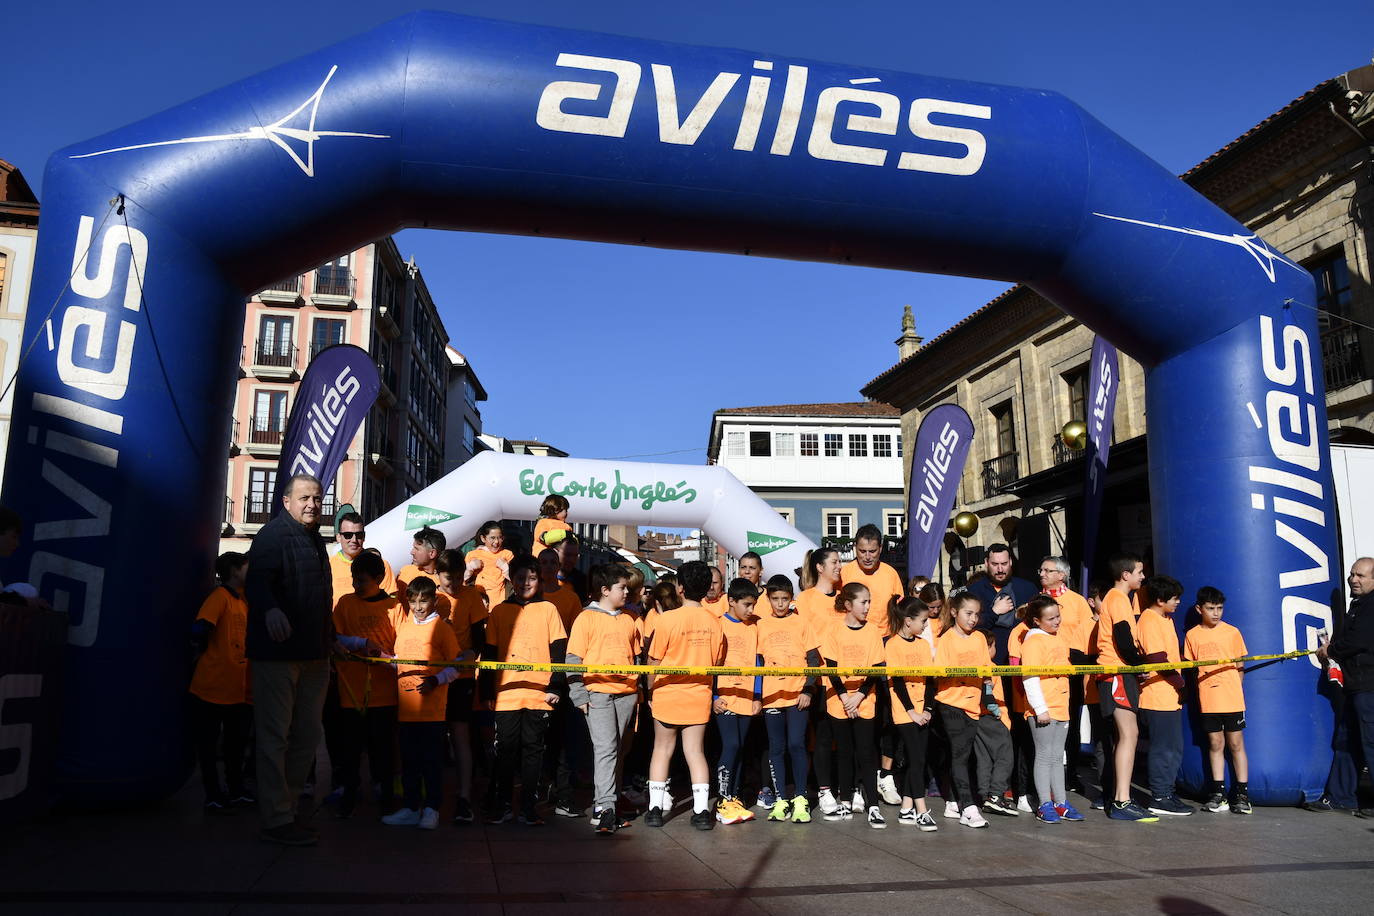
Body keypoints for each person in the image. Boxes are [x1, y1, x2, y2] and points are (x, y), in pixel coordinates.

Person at [244, 473, 335, 846]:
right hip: (278, 655)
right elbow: (257, 582)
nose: (312, 504)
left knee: (307, 735)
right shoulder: (272, 537)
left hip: (315, 654)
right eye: (304, 499)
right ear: (286, 502)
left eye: (316, 498)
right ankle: (276, 818)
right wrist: (269, 610)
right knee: (274, 737)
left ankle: (290, 808)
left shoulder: (314, 539)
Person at [480, 555, 568, 826]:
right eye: (520, 578)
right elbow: (490, 654)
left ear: (539, 580)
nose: (525, 583)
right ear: (512, 580)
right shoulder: (500, 611)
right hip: (506, 693)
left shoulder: (549, 610)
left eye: (531, 578)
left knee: (533, 750)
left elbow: (558, 652)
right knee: (505, 749)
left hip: (539, 693)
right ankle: (504, 804)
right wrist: (486, 692)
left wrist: (555, 686)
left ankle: (529, 806)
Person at [645, 561, 724, 830]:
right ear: (706, 588)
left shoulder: (667, 619)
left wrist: (650, 691)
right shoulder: (714, 622)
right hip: (699, 692)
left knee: (662, 749)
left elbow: (654, 661)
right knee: (695, 751)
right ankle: (702, 811)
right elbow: (717, 660)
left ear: (680, 588)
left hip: (668, 691)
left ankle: (655, 808)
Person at [566, 564, 643, 835]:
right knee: (606, 749)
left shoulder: (630, 619)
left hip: (626, 693)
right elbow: (573, 659)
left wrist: (637, 692)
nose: (627, 592)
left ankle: (609, 805)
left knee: (618, 749)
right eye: (622, 587)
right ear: (605, 590)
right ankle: (604, 808)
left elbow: (636, 659)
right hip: (597, 691)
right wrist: (578, 694)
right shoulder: (585, 618)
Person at [382, 577, 462, 830]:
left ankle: (432, 809)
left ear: (433, 600)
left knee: (431, 763)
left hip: (432, 712)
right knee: (409, 763)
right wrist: (383, 658)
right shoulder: (404, 626)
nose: (418, 606)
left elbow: (457, 666)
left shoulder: (442, 628)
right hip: (406, 710)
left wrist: (435, 681)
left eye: (423, 601)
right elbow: (401, 661)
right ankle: (410, 807)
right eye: (413, 601)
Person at [330, 550, 399, 819]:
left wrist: (387, 659)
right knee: (349, 748)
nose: (356, 586)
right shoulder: (346, 603)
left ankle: (384, 793)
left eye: (362, 581)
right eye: (354, 580)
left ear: (380, 579)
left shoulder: (394, 607)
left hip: (384, 692)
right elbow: (334, 636)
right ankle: (348, 792)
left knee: (382, 748)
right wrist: (360, 644)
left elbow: (401, 647)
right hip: (350, 690)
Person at [841, 524, 906, 805]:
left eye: (872, 551)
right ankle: (856, 782)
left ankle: (885, 776)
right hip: (855, 649)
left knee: (889, 717)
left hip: (885, 646)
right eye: (862, 551)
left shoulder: (891, 574)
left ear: (881, 549)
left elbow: (899, 612)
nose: (867, 557)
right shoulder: (845, 573)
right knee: (859, 720)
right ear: (855, 548)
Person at [189, 552, 253, 813]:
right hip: (212, 686)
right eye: (246, 567)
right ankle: (213, 793)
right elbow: (201, 627)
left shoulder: (243, 600)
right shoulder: (220, 597)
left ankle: (235, 790)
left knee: (235, 745)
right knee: (209, 744)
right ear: (236, 571)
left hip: (237, 688)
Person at [1095, 552, 1157, 823]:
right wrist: (1139, 664)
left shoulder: (1118, 598)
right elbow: (1122, 639)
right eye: (1140, 572)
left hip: (1119, 673)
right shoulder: (1118, 599)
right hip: (1117, 673)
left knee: (1126, 736)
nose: (1143, 577)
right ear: (1126, 575)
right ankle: (1121, 800)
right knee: (1128, 735)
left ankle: (1121, 797)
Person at [820, 583, 887, 829]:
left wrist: (857, 696)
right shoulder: (834, 630)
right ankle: (845, 800)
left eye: (869, 601)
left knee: (867, 753)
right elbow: (832, 667)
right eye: (863, 602)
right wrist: (844, 698)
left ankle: (873, 806)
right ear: (848, 605)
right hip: (839, 702)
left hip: (864, 701)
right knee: (845, 753)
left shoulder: (873, 631)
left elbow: (876, 667)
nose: (868, 607)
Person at [1313, 557, 1374, 816]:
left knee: (1371, 742)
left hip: (1368, 687)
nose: (1354, 580)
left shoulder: (1371, 606)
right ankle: (1340, 796)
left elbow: (1359, 640)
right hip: (1354, 685)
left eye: (1360, 575)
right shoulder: (1357, 606)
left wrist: (1331, 649)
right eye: (1352, 574)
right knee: (1346, 741)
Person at [756, 574, 820, 823]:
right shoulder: (761, 624)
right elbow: (758, 662)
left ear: (791, 599)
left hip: (797, 696)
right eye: (775, 599)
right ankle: (781, 799)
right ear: (769, 599)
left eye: (784, 599)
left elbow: (814, 660)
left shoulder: (802, 623)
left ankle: (801, 798)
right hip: (772, 697)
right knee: (776, 748)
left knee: (796, 744)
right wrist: (758, 696)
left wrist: (808, 690)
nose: (780, 604)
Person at [1183, 586, 1251, 814]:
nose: (1215, 613)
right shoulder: (1192, 635)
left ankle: (1242, 794)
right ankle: (1218, 793)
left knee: (1236, 744)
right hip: (1208, 700)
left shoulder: (1232, 632)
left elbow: (1241, 667)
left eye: (1219, 608)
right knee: (1215, 744)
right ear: (1199, 609)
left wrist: (1233, 690)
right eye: (1210, 608)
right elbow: (1191, 669)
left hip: (1232, 700)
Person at [1037, 556, 1099, 801]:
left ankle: (1071, 774)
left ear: (1061, 575)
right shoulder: (1037, 601)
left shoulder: (1077, 602)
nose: (1041, 573)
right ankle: (1044, 777)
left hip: (1072, 672)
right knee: (1045, 723)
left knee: (1070, 724)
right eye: (1041, 570)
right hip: (1043, 672)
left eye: (1047, 570)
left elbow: (1087, 634)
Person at [934, 590, 998, 828]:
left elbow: (986, 671)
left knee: (963, 755)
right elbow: (941, 671)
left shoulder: (980, 638)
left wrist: (988, 696)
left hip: (973, 704)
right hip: (951, 703)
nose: (973, 619)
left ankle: (953, 800)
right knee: (960, 754)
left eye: (977, 614)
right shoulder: (946, 639)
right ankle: (969, 808)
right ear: (954, 612)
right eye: (968, 613)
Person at [1019, 595, 1085, 824]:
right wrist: (1040, 708)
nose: (1057, 621)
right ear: (1037, 620)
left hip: (1061, 706)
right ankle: (1044, 803)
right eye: (1051, 618)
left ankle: (1061, 802)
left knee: (1058, 756)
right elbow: (1030, 677)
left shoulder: (1057, 637)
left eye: (1058, 616)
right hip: (1044, 708)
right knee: (1045, 755)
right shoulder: (1033, 641)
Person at [435, 549, 489, 824]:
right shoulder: (430, 597)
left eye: (458, 578)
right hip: (432, 678)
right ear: (437, 574)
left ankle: (464, 797)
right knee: (431, 738)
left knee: (460, 735)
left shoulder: (470, 597)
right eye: (448, 578)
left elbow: (480, 637)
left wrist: (470, 653)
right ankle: (428, 797)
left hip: (461, 678)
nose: (454, 584)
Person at [1135, 575, 1191, 816]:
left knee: (1174, 748)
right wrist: (1180, 683)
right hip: (1157, 696)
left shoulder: (1165, 619)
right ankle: (1159, 796)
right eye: (1174, 598)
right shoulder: (1149, 620)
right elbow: (1157, 658)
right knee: (1163, 749)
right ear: (1159, 599)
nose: (1178, 602)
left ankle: (1167, 791)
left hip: (1169, 696)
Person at [885, 596, 939, 831]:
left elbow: (929, 681)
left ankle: (906, 807)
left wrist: (926, 709)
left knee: (919, 760)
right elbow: (897, 683)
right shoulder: (893, 645)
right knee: (915, 759)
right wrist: (912, 712)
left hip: (922, 710)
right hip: (904, 712)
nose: (926, 625)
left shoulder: (923, 645)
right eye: (923, 621)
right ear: (908, 621)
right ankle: (921, 809)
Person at [714, 578, 762, 825]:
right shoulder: (718, 625)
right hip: (724, 697)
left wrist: (756, 696)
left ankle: (734, 798)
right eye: (747, 605)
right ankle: (722, 802)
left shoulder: (754, 626)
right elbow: (710, 663)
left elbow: (758, 662)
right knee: (730, 745)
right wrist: (713, 697)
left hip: (746, 698)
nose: (751, 610)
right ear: (731, 601)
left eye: (753, 605)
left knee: (740, 748)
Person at [967, 544, 1038, 664]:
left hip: (1024, 659)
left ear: (1010, 562)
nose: (1000, 570)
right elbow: (969, 627)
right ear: (986, 563)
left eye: (1004, 564)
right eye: (995, 564)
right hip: (989, 661)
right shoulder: (974, 591)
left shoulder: (1027, 588)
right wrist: (993, 612)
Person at [329, 512, 396, 606]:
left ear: (364, 537)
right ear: (339, 537)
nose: (354, 540)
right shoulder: (328, 566)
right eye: (348, 535)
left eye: (359, 535)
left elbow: (392, 602)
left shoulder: (381, 565)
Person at [397, 527, 451, 618]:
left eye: (417, 549)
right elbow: (394, 602)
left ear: (432, 553)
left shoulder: (448, 581)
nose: (412, 552)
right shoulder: (406, 572)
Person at [467, 521, 514, 609]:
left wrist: (506, 568)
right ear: (483, 538)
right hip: (478, 605)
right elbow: (462, 580)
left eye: (500, 538)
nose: (496, 542)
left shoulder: (507, 555)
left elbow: (516, 580)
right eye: (492, 538)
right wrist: (470, 568)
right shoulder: (473, 555)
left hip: (500, 605)